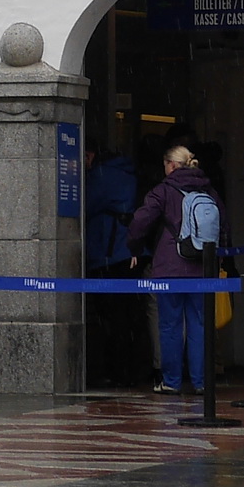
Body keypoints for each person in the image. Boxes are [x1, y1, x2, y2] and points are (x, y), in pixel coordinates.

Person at [127, 141, 218, 392]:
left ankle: (171, 382)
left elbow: (140, 220)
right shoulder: (208, 190)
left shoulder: (164, 190)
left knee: (170, 325)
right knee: (200, 325)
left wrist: (134, 247)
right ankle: (202, 382)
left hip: (170, 266)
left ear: (172, 165)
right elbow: (223, 227)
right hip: (202, 266)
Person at [84, 144, 150, 388]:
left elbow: (85, 206)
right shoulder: (126, 173)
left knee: (114, 316)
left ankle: (120, 370)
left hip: (111, 252)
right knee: (132, 313)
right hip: (132, 251)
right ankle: (138, 369)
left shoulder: (101, 176)